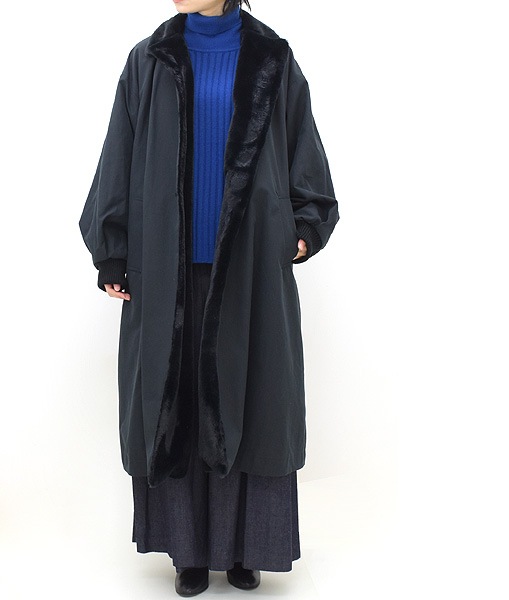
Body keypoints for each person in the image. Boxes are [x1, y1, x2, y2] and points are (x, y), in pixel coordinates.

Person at [78, 0, 339, 596]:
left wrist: (302, 228)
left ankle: (247, 546)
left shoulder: (272, 58)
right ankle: (189, 552)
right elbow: (119, 152)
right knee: (178, 404)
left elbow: (304, 150)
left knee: (252, 401)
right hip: (165, 270)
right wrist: (112, 249)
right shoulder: (149, 60)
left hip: (250, 267)